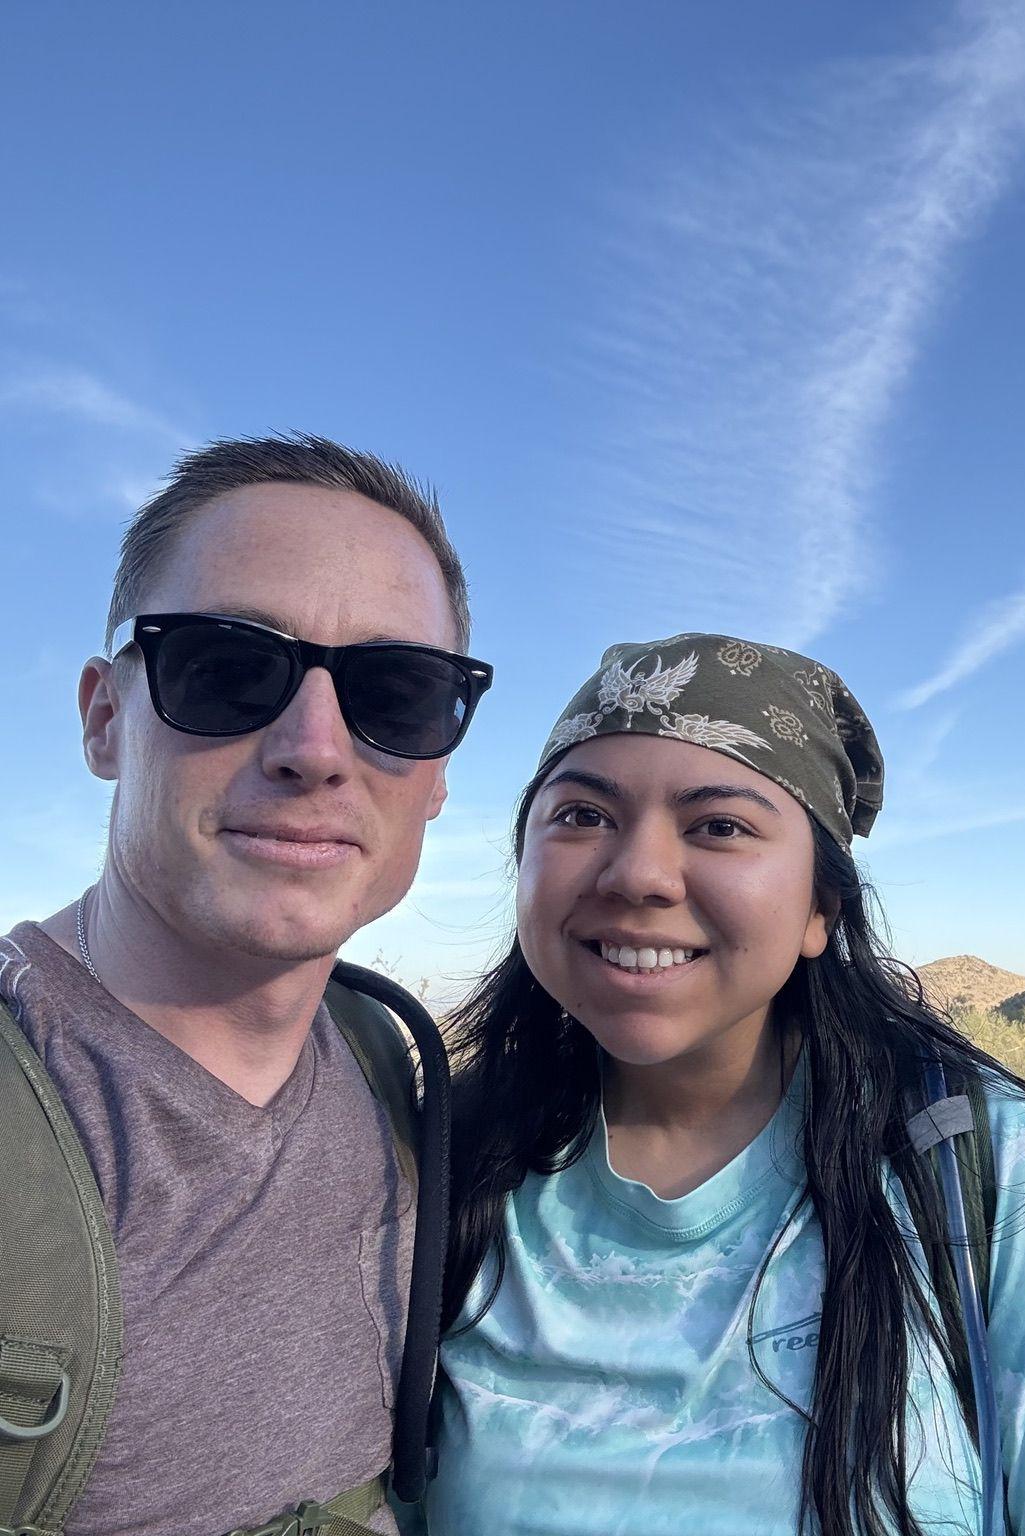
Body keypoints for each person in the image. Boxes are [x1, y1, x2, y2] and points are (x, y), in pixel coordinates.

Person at [428, 634, 1025, 1536]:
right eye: (582, 815)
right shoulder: (434, 1166)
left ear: (820, 909)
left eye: (719, 826)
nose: (638, 874)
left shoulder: (975, 1163)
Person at [0, 435, 492, 1536]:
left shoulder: (383, 1053)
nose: (315, 749)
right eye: (226, 669)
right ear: (104, 719)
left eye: (397, 694)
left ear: (438, 777)